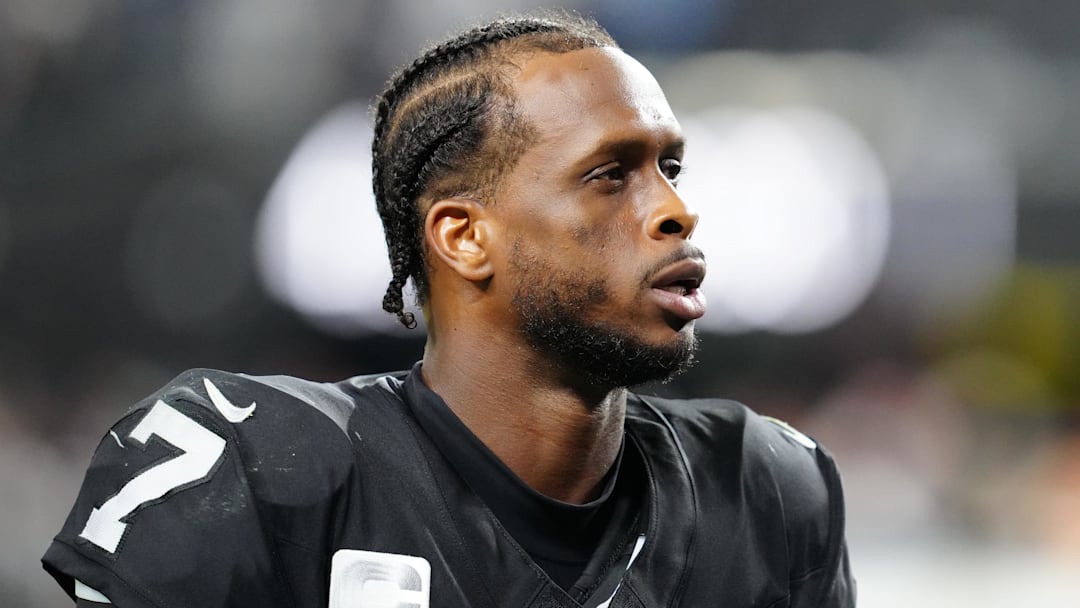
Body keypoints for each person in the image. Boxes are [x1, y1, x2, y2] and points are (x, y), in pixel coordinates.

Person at [43, 13, 854, 608]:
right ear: (465, 238)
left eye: (669, 166)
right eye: (611, 175)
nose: (676, 210)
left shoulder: (768, 489)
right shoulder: (255, 472)